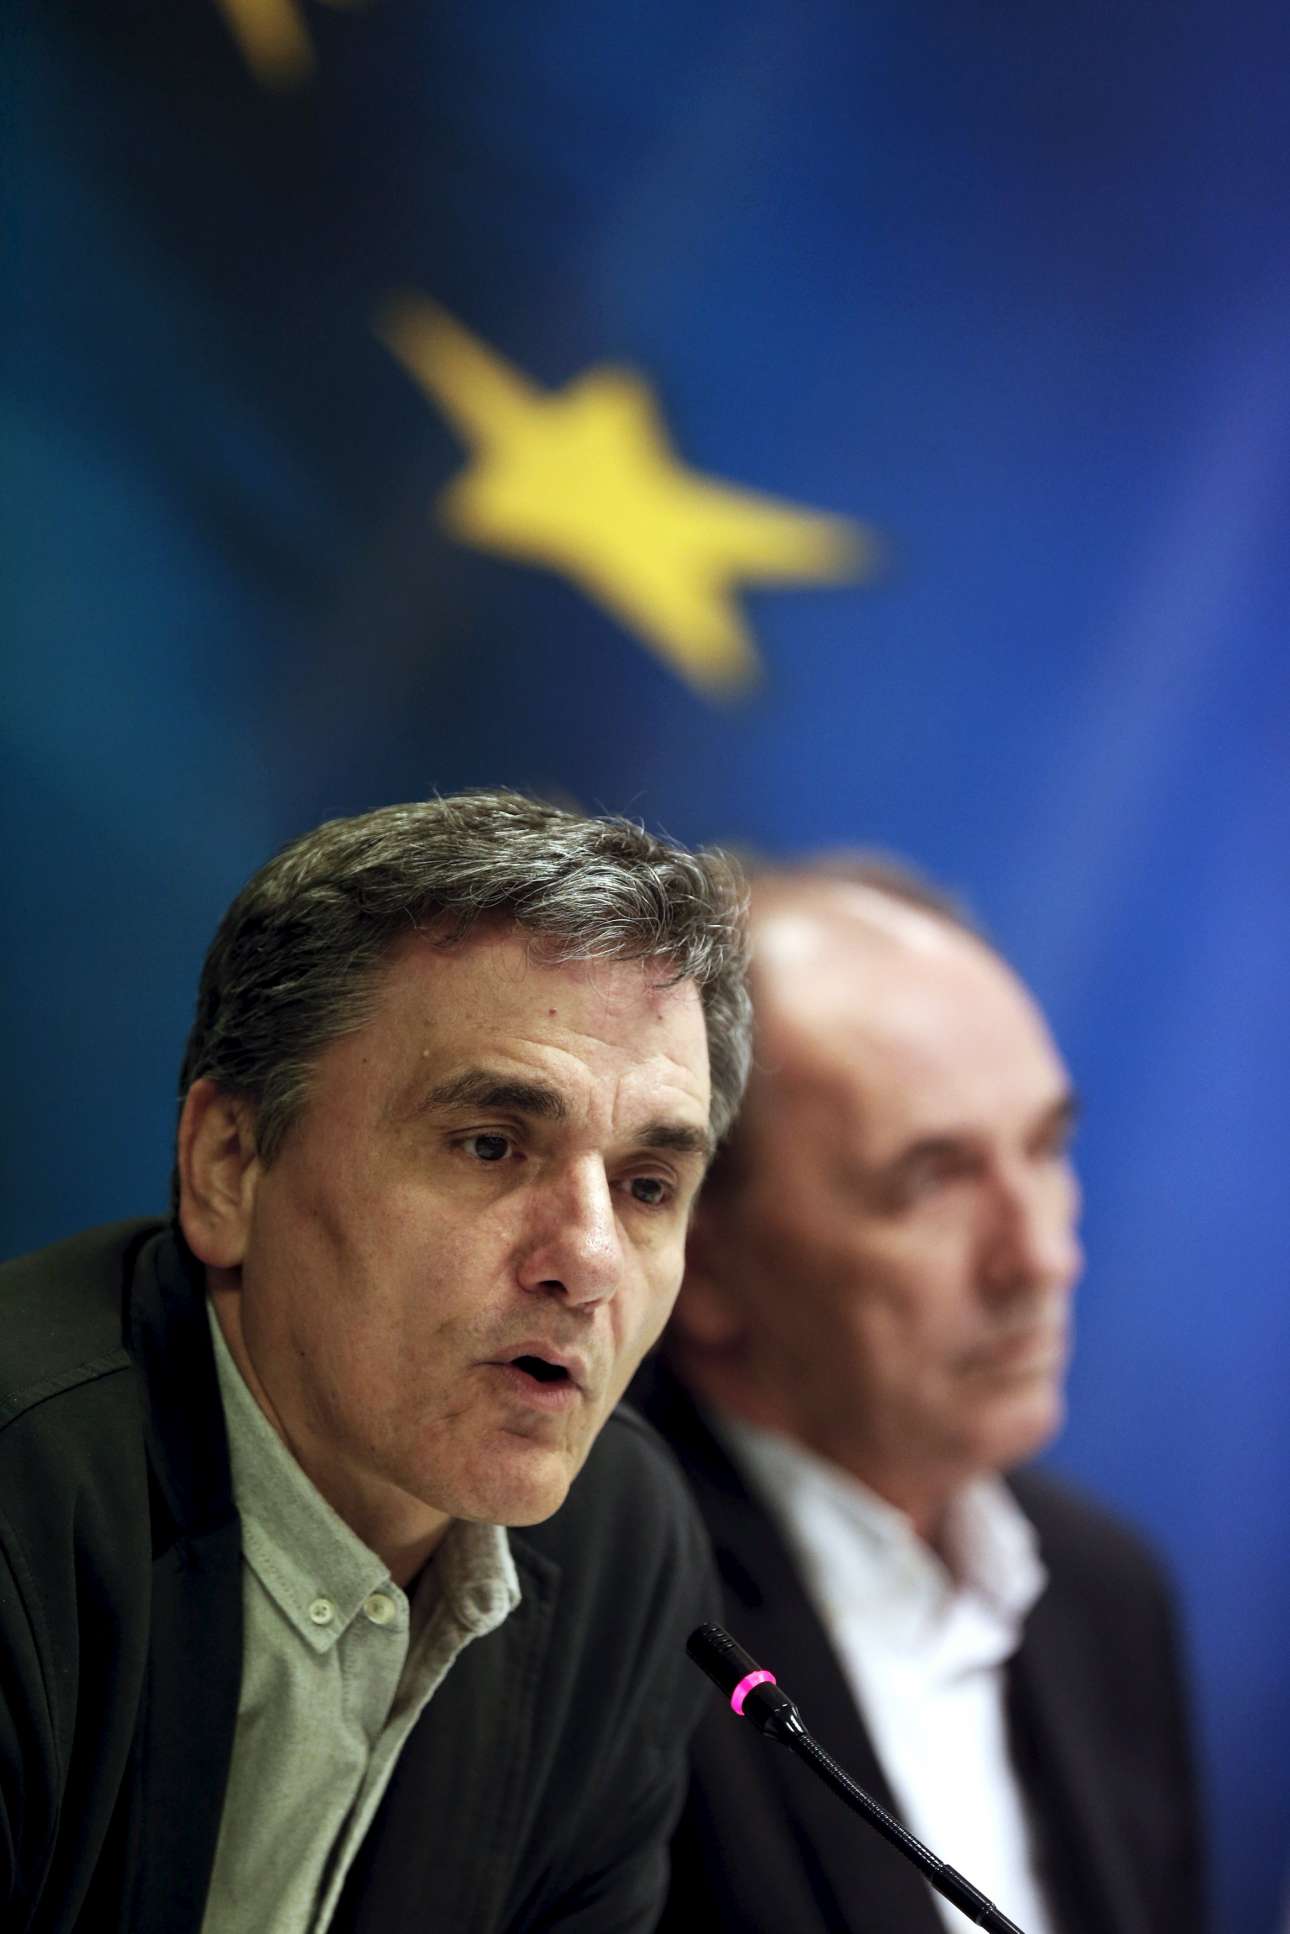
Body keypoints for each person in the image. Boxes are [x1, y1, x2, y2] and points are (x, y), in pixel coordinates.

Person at [0, 789, 752, 1934]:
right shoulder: (21, 1507)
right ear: (228, 1164)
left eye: (648, 1185)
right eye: (490, 1145)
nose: (590, 1259)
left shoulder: (620, 1550)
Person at [636, 860, 1208, 1934]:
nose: (1040, 1257)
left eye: (1046, 1148)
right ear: (701, 1260)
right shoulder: (606, 1620)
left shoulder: (1107, 1596)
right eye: (933, 1180)